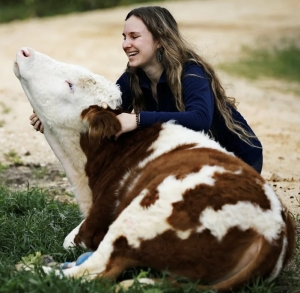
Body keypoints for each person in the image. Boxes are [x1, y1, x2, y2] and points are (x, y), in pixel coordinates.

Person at [30, 6, 263, 173]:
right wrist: (52, 119)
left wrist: (138, 120)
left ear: (159, 40)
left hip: (238, 163)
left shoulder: (191, 73)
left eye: (134, 36)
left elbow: (200, 119)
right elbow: (103, 113)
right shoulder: (133, 77)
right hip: (195, 163)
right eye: (124, 37)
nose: (125, 44)